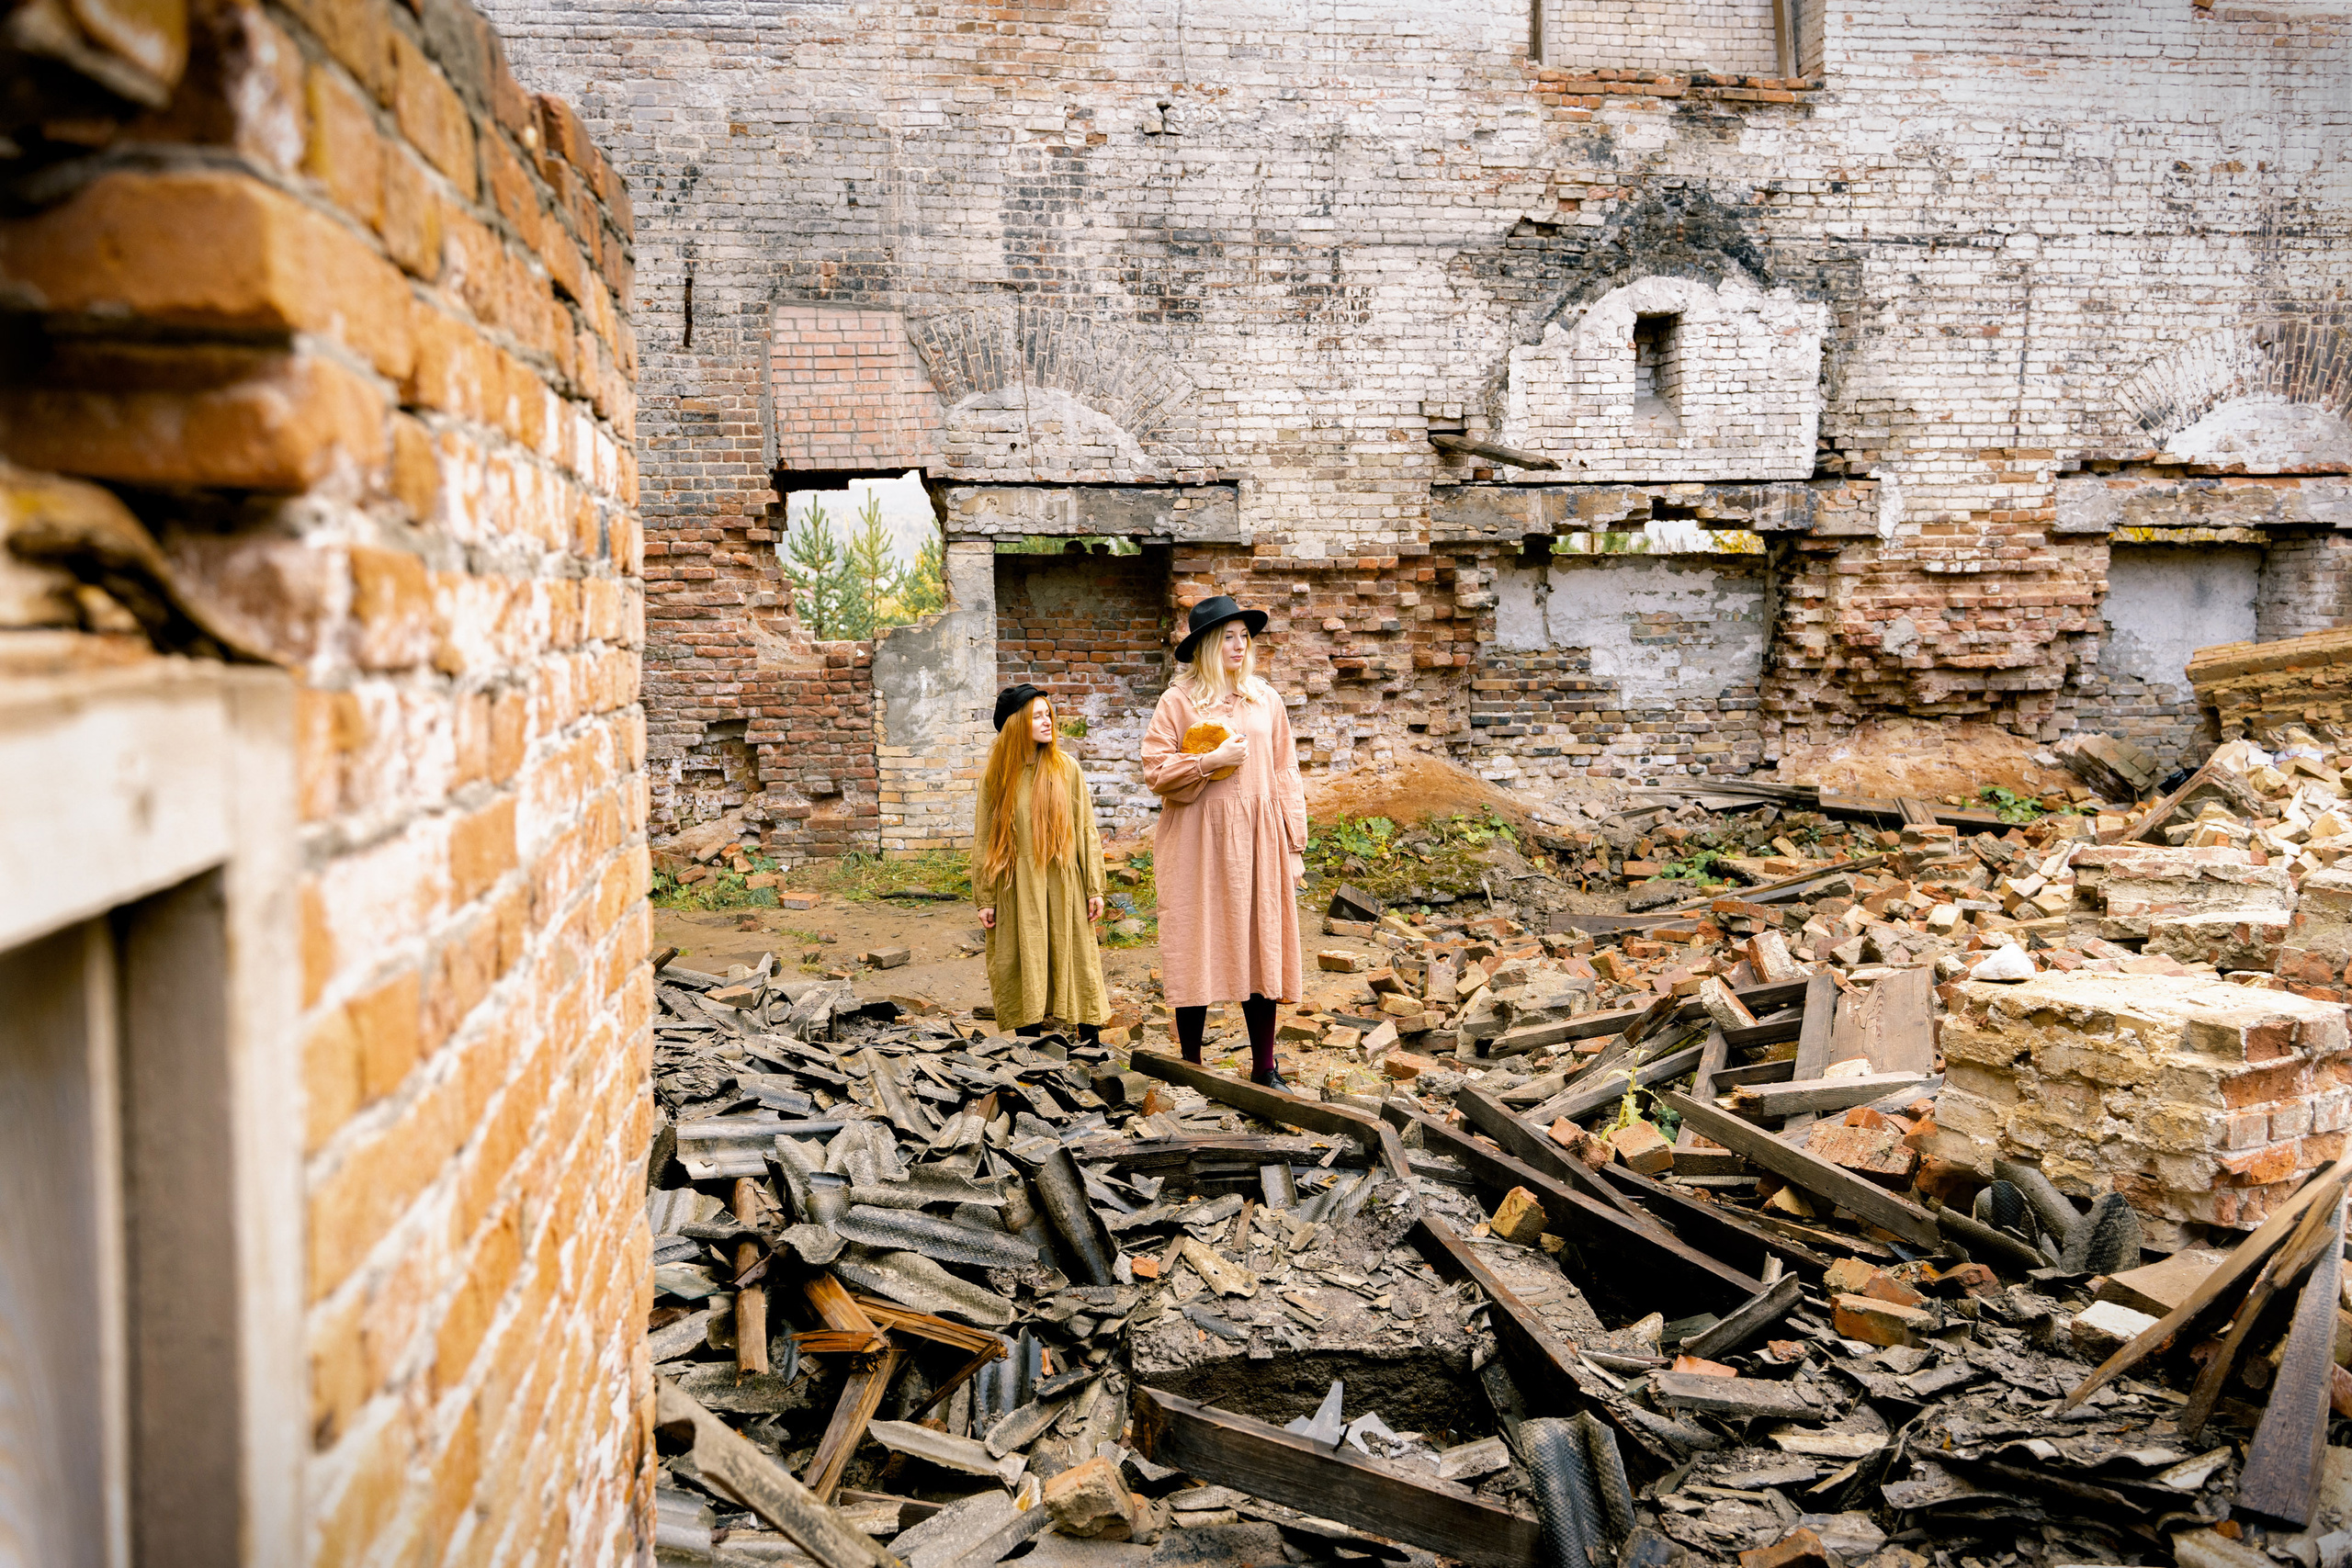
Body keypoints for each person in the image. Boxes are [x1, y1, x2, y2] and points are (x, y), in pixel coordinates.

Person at [1141, 595, 1307, 1088]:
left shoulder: (1265, 698)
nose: (1239, 645)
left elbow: (1285, 773)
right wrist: (1210, 762)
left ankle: (1265, 1068)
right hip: (1197, 836)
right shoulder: (1178, 701)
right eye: (1229, 637)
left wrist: (1294, 846)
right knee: (1196, 939)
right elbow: (1155, 771)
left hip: (1259, 837)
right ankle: (1191, 1068)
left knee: (1261, 943)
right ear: (1208, 645)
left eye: (1244, 636)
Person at [973, 683, 1111, 1043]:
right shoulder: (997, 776)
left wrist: (1095, 887)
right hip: (1017, 885)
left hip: (1065, 881)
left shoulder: (1067, 769)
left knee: (1076, 954)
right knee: (1022, 955)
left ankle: (1091, 1041)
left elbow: (1086, 830)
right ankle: (1030, 1045)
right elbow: (985, 839)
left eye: (1048, 714)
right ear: (1016, 724)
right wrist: (985, 897)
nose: (1048, 721)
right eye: (1037, 716)